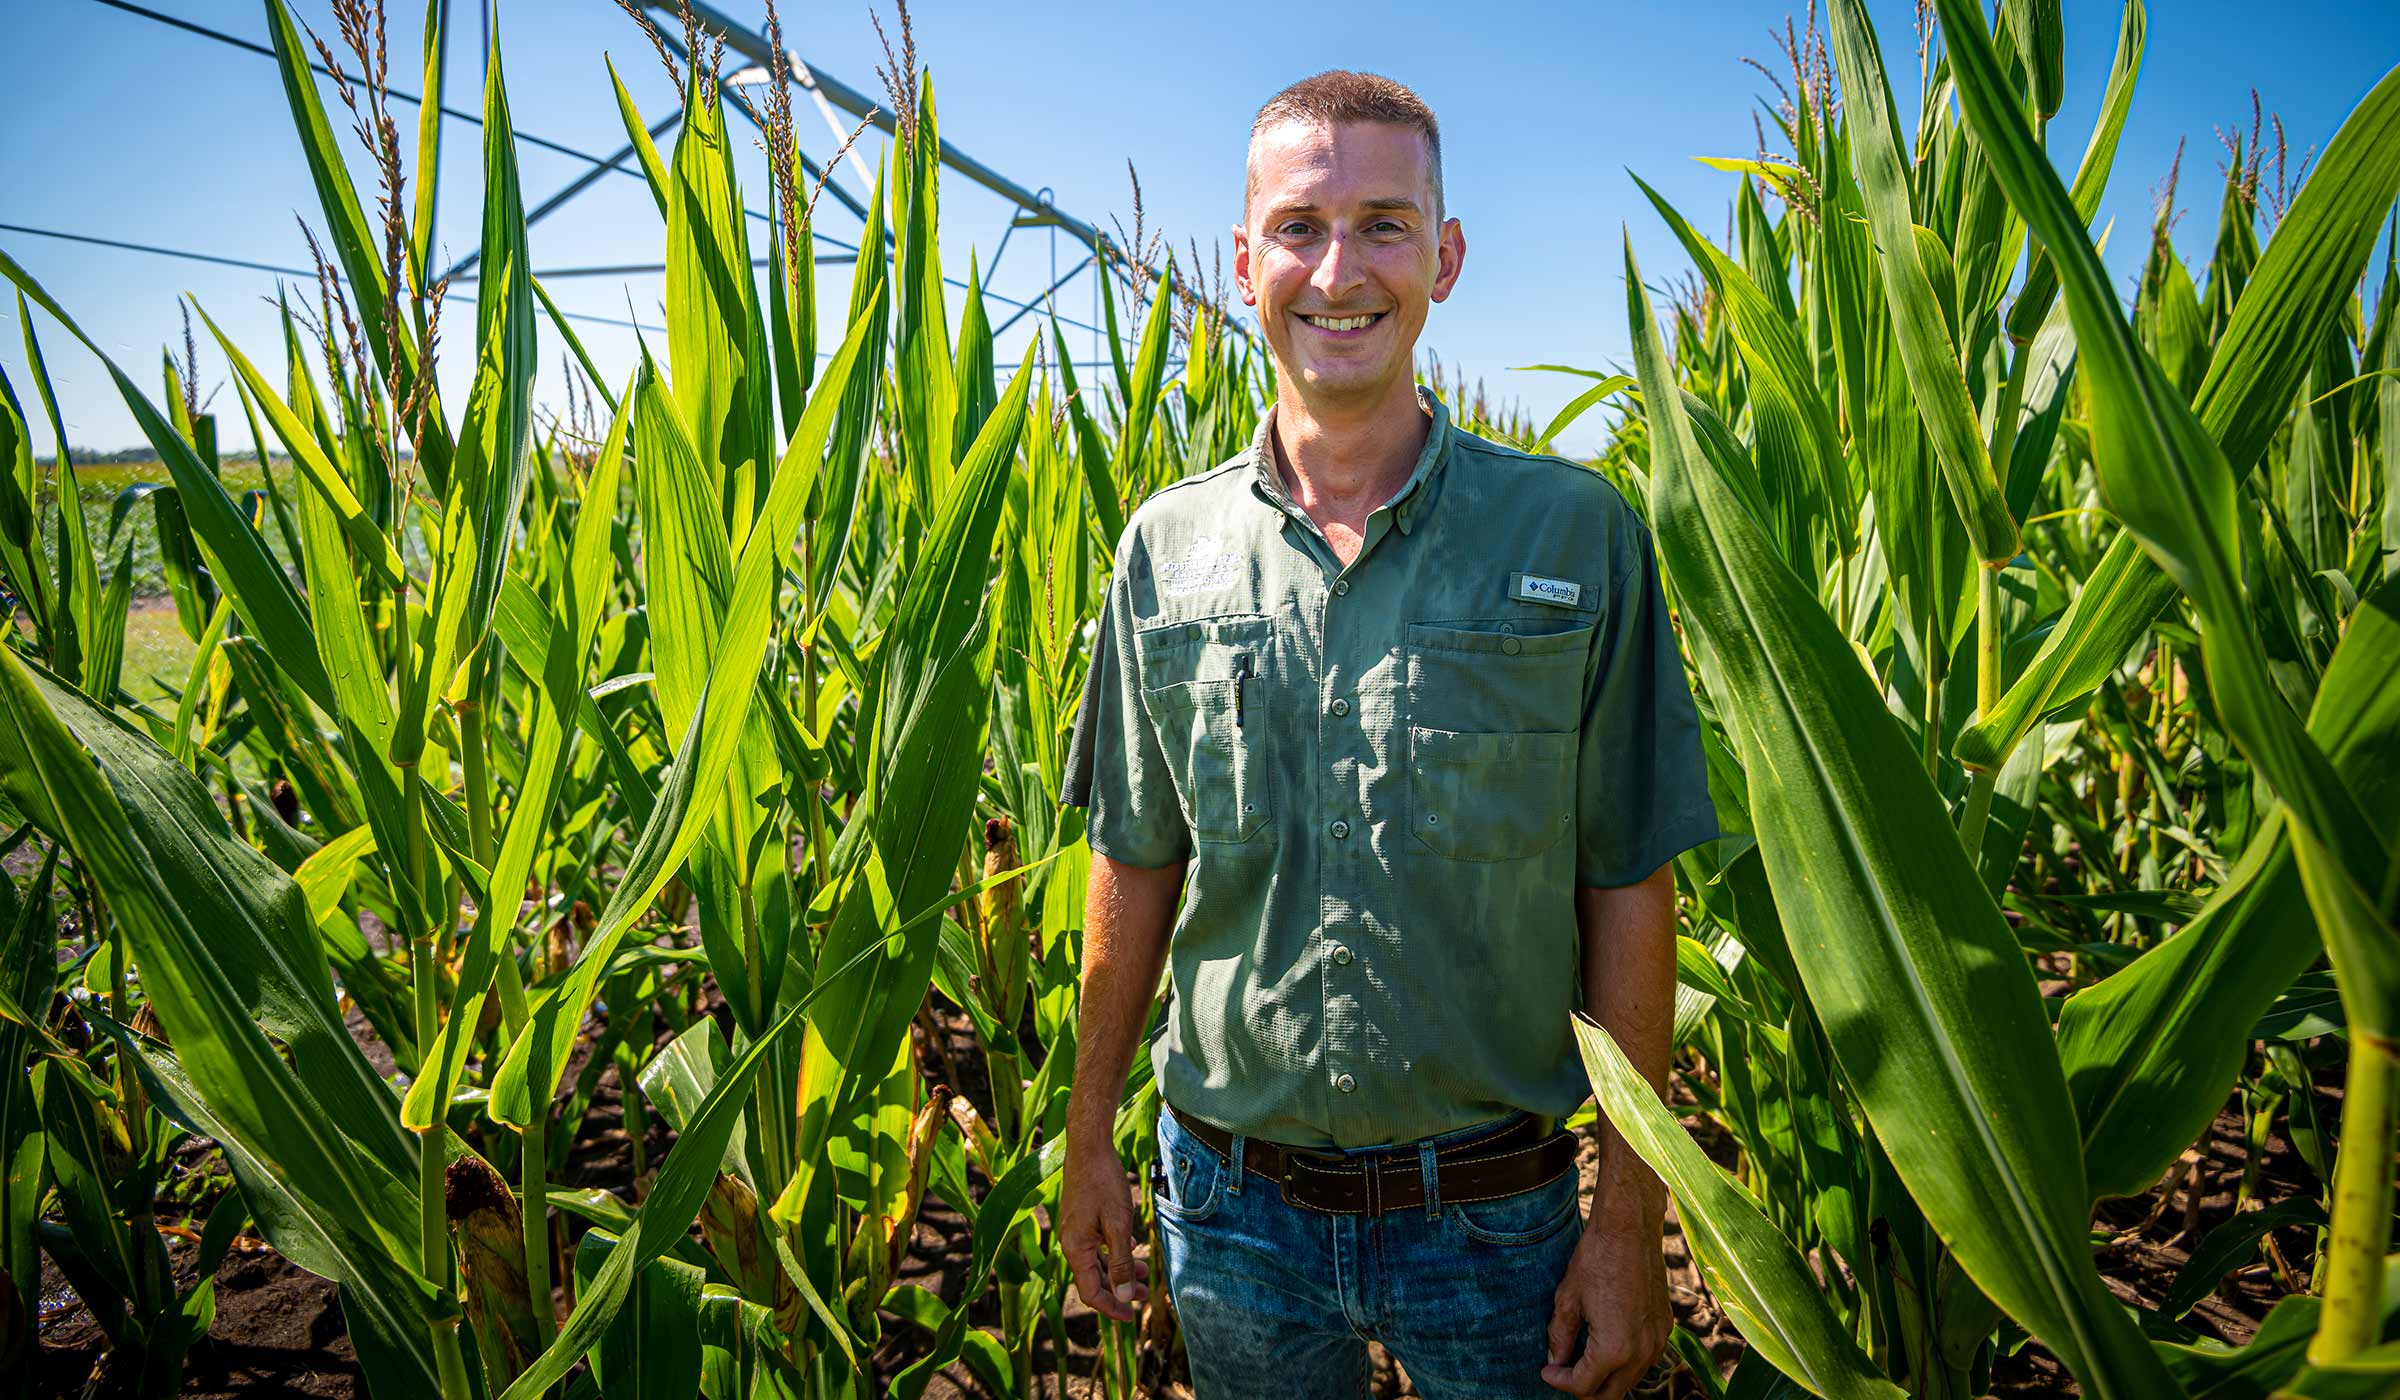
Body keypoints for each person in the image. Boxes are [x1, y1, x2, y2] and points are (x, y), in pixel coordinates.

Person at [1056, 69, 1718, 1400]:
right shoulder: (1165, 552)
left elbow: (1627, 884)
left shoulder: (1574, 539)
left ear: (1446, 257)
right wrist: (1085, 1137)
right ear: (1244, 262)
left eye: (1385, 225)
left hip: (1498, 1222)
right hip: (1231, 1217)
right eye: (1299, 227)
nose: (1338, 268)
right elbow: (1136, 856)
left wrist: (1632, 1218)